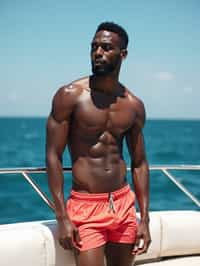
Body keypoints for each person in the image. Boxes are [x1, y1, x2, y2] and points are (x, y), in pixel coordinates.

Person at [46, 22, 151, 266]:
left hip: (123, 204)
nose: (98, 52)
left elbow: (139, 163)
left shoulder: (134, 105)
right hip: (86, 206)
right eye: (94, 47)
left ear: (122, 54)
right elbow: (53, 156)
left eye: (106, 47)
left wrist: (144, 219)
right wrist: (62, 217)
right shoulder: (70, 95)